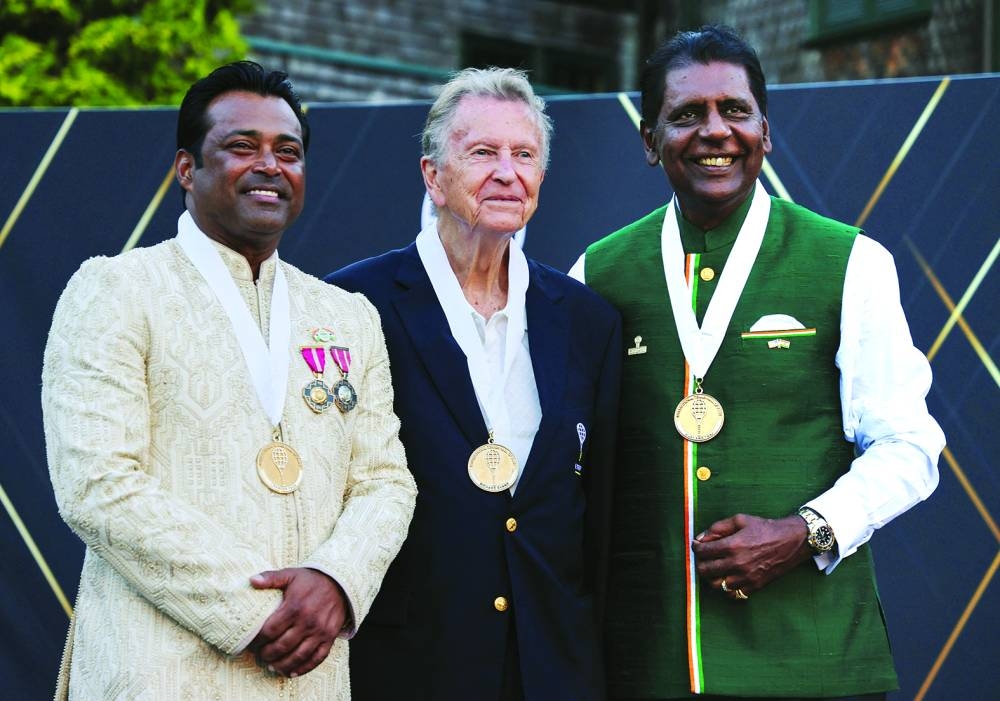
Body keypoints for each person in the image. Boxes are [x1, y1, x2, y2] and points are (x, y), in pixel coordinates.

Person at [569, 25, 945, 701]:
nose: (715, 130)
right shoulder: (597, 272)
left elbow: (910, 446)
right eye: (686, 115)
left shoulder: (850, 261)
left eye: (734, 110)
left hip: (814, 665)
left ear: (765, 132)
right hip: (648, 666)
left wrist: (805, 531)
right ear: (651, 143)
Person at [42, 61, 416, 699]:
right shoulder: (115, 289)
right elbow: (98, 485)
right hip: (159, 670)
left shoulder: (346, 316)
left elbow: (385, 480)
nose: (269, 165)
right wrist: (256, 610)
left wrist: (336, 581)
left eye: (288, 152)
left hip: (309, 676)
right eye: (242, 147)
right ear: (188, 169)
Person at [327, 67, 622, 700]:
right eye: (483, 153)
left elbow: (595, 515)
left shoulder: (587, 318)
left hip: (552, 671)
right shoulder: (352, 304)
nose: (507, 172)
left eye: (525, 155)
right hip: (408, 669)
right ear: (433, 175)